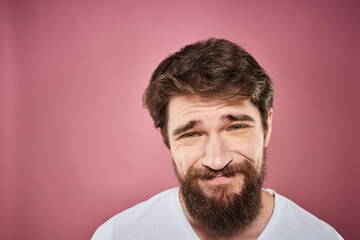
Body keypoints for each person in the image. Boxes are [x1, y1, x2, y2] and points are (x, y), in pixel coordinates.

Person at [92, 38, 343, 240]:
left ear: (267, 127)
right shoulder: (117, 235)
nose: (216, 159)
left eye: (235, 127)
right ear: (167, 142)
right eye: (191, 134)